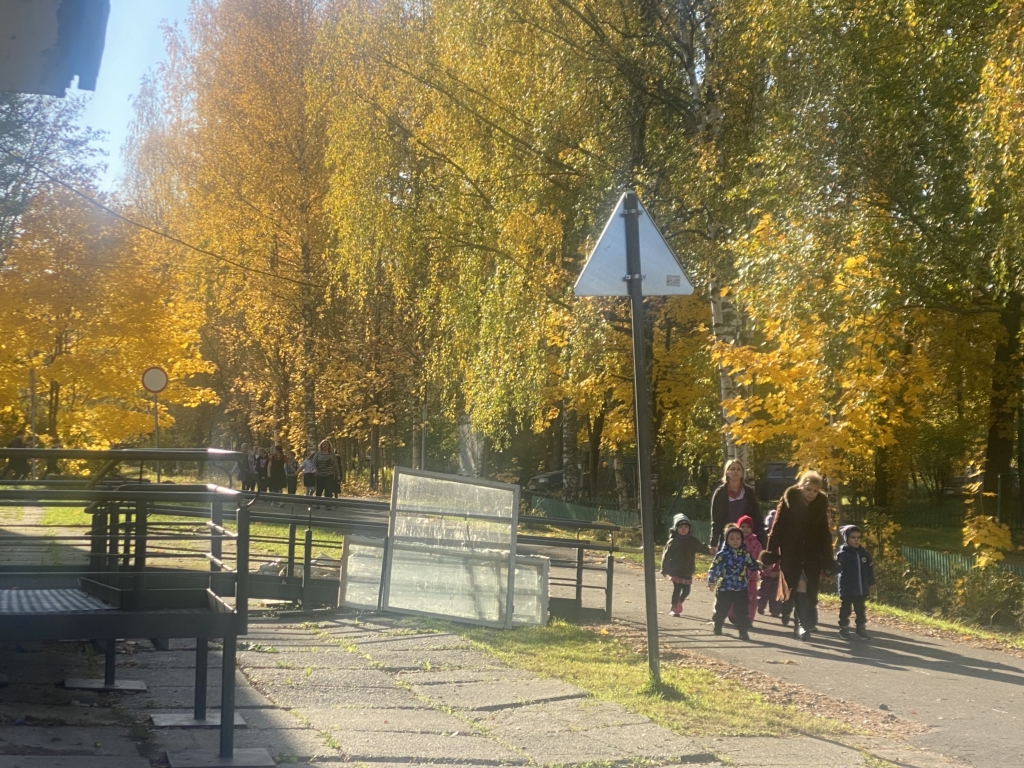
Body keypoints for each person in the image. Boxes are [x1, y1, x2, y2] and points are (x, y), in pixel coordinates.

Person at [761, 470, 835, 641]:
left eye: (815, 491)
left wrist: (827, 558)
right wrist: (771, 552)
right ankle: (799, 623)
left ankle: (798, 619)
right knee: (797, 584)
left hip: (812, 553)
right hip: (791, 551)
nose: (811, 494)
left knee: (808, 588)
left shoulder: (820, 505)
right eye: (808, 489)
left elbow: (825, 533)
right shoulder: (788, 501)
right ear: (800, 487)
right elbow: (777, 528)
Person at [708, 524, 758, 641]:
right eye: (731, 539)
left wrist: (764, 563)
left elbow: (753, 565)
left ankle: (743, 632)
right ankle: (718, 625)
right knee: (721, 609)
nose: (735, 541)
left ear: (741, 540)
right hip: (724, 587)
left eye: (738, 538)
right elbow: (714, 568)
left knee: (742, 611)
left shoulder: (745, 554)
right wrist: (712, 580)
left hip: (741, 587)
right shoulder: (722, 554)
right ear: (726, 540)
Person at [710, 460, 766, 550]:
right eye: (732, 469)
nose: (735, 471)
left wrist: (762, 538)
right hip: (727, 537)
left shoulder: (748, 492)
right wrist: (713, 542)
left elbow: (757, 516)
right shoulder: (720, 493)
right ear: (727, 472)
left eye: (738, 469)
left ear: (742, 473)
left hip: (747, 538)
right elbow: (716, 521)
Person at [660, 513, 706, 617]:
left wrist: (710, 550)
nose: (684, 529)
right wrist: (664, 569)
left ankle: (679, 602)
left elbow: (701, 547)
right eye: (681, 527)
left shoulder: (693, 541)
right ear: (676, 528)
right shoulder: (673, 541)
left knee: (686, 591)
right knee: (677, 590)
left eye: (686, 527)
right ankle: (674, 608)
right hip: (676, 570)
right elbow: (666, 555)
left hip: (687, 570)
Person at [835, 524, 875, 640]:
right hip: (847, 588)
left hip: (861, 588)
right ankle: (844, 628)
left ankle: (861, 628)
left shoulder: (865, 554)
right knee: (845, 609)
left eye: (858, 537)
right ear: (846, 539)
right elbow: (837, 569)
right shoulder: (843, 555)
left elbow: (870, 570)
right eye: (853, 537)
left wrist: (871, 582)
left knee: (860, 610)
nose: (856, 540)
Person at [731, 515, 762, 625]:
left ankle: (748, 619)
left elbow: (760, 558)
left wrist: (765, 569)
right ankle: (732, 615)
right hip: (735, 576)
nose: (745, 529)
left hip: (751, 577)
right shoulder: (734, 541)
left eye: (748, 527)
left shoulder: (756, 543)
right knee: (733, 597)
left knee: (751, 599)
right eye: (742, 526)